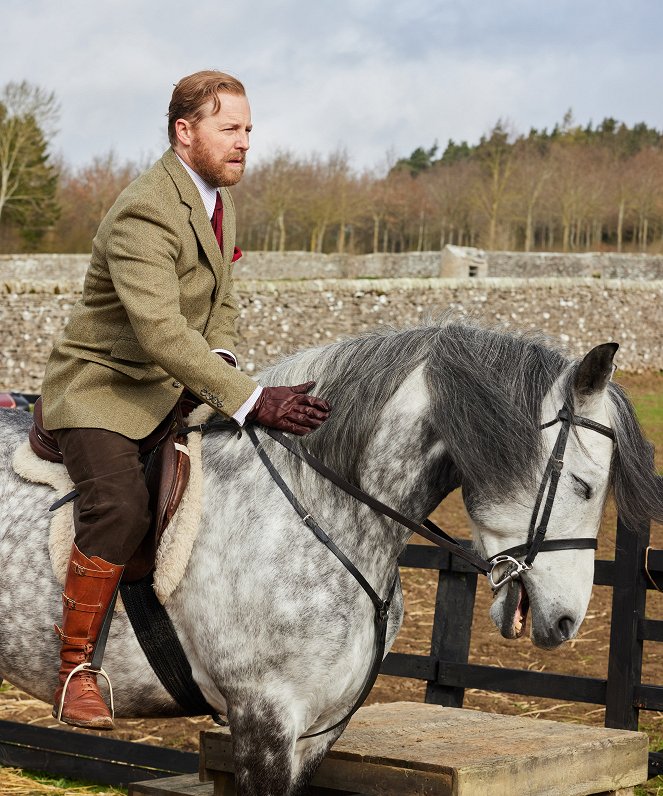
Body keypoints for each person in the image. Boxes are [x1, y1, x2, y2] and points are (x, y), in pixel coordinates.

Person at [39, 70, 331, 730]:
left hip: (177, 381)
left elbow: (221, 304)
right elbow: (161, 331)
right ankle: (74, 669)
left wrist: (224, 363)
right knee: (119, 503)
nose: (245, 143)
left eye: (249, 130)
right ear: (184, 130)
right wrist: (249, 397)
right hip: (103, 387)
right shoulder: (144, 209)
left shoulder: (219, 203)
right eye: (230, 129)